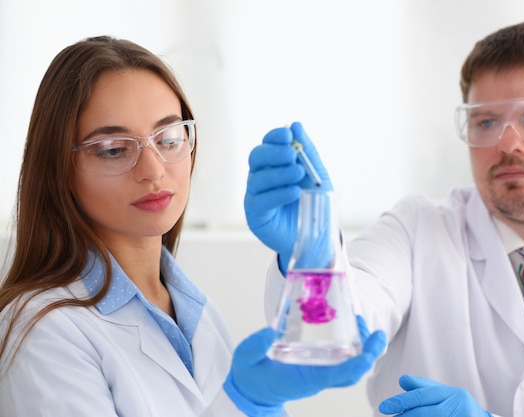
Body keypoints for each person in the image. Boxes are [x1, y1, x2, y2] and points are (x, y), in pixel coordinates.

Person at [243, 21, 524, 417]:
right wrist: (310, 252)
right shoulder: (415, 231)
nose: (508, 143)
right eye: (486, 122)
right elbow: (331, 341)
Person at [0, 36, 387, 417]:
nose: (153, 171)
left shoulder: (194, 312)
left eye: (168, 139)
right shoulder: (42, 331)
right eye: (115, 149)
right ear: (58, 170)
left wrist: (309, 255)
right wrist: (243, 401)